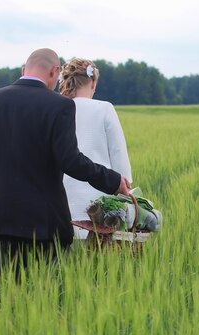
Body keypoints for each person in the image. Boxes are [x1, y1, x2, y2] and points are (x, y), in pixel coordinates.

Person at [0, 48, 131, 281]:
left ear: (24, 70)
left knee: (5, 293)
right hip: (44, 222)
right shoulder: (59, 106)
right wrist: (113, 180)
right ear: (54, 71)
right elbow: (71, 161)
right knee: (45, 294)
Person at [58, 58, 133, 239]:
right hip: (100, 206)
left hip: (61, 203)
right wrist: (126, 193)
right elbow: (118, 155)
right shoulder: (104, 109)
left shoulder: (56, 109)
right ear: (93, 82)